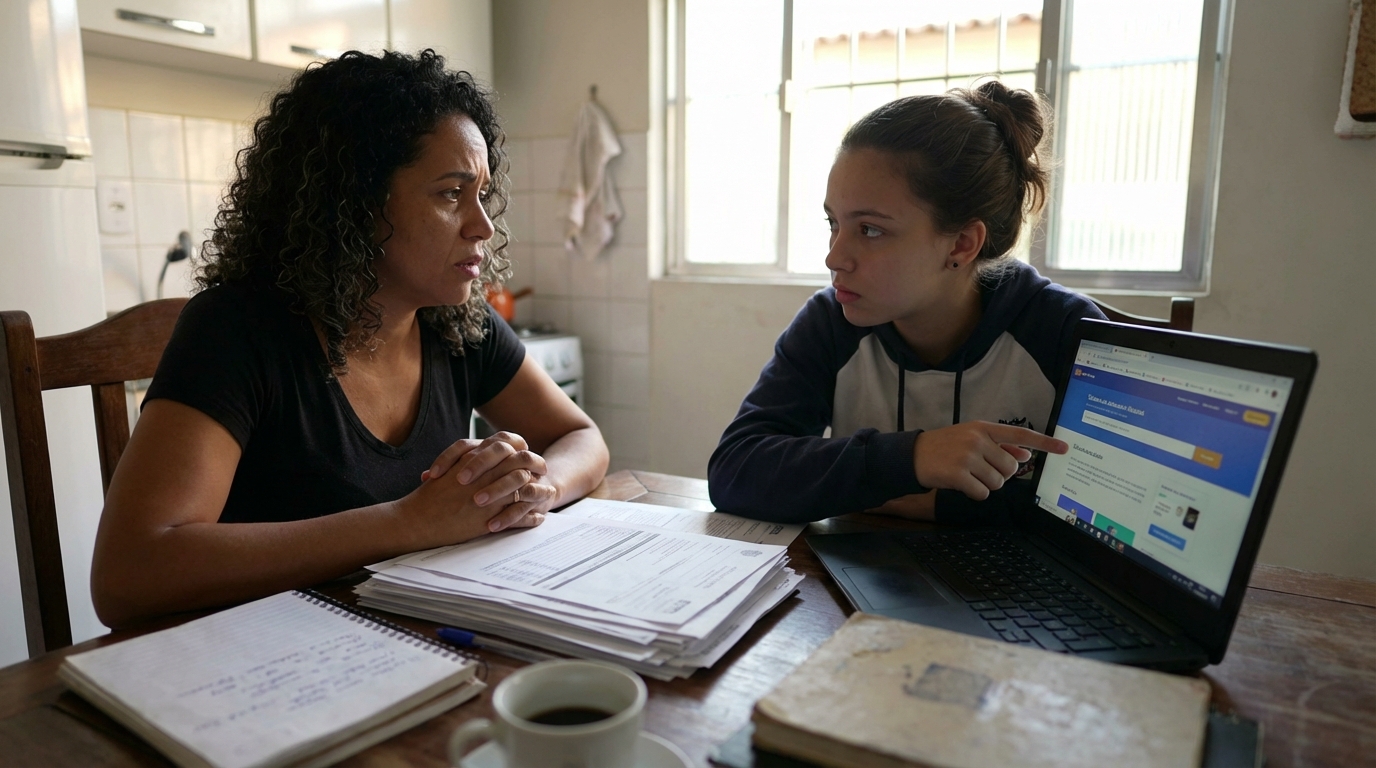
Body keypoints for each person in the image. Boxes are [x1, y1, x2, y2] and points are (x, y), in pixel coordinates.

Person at [91, 50, 609, 628]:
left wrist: (537, 487)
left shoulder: (456, 322)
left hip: (408, 642)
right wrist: (411, 523)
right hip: (260, 665)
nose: (483, 226)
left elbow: (580, 437)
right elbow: (127, 576)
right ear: (353, 204)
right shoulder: (236, 330)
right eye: (449, 193)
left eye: (481, 194)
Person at [708, 82, 1103, 525]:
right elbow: (735, 472)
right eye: (833, 224)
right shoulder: (831, 321)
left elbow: (1106, 516)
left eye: (870, 230)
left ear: (961, 243)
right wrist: (912, 459)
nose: (834, 257)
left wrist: (894, 496)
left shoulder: (1066, 332)